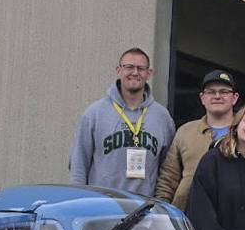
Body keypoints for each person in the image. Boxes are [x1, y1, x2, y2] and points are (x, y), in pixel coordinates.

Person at [69, 48, 175, 195]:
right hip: (103, 207)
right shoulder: (94, 114)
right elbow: (78, 165)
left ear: (149, 74)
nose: (135, 72)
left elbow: (168, 170)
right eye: (129, 67)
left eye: (141, 68)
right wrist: (78, 201)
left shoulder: (163, 117)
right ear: (119, 70)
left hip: (145, 209)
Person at [156, 70, 239, 211]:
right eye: (211, 92)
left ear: (235, 98)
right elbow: (168, 179)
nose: (217, 96)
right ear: (202, 98)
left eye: (224, 92)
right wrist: (162, 212)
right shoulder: (185, 131)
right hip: (187, 216)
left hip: (233, 218)